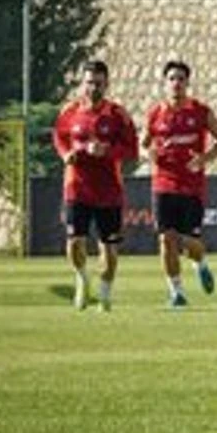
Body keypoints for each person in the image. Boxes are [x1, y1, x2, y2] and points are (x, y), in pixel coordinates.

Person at [143, 60, 217, 308]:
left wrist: (204, 158)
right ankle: (176, 292)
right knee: (166, 239)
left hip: (192, 186)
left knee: (189, 241)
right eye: (172, 78)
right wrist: (148, 154)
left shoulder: (200, 111)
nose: (176, 83)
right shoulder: (155, 113)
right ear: (165, 83)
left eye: (181, 79)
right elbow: (144, 143)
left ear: (187, 83)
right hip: (163, 184)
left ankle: (200, 263)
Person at [53, 60, 139, 311]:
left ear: (107, 84)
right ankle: (82, 278)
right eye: (89, 83)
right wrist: (66, 154)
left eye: (98, 83)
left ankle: (105, 292)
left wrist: (107, 151)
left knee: (109, 250)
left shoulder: (118, 115)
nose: (93, 88)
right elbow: (59, 137)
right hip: (77, 187)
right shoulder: (70, 111)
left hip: (108, 191)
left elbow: (132, 150)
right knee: (74, 242)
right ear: (83, 83)